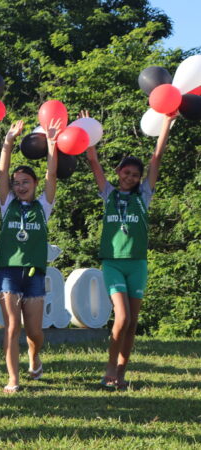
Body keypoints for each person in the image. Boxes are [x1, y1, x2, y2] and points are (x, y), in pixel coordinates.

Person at [85, 112, 173, 390]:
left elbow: (156, 159)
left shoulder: (144, 195)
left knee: (133, 323)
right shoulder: (108, 194)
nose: (131, 177)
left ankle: (121, 372)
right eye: (126, 172)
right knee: (121, 317)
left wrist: (167, 124)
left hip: (138, 264)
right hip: (113, 263)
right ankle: (109, 368)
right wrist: (88, 135)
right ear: (119, 174)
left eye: (135, 174)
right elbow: (94, 162)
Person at [0, 119, 60, 393]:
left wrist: (53, 144)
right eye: (16, 182)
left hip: (34, 274)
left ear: (34, 184)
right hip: (9, 272)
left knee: (34, 331)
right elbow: (1, 172)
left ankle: (34, 356)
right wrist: (8, 142)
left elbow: (52, 176)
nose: (20, 186)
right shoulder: (7, 203)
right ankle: (13, 378)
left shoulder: (43, 206)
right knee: (12, 327)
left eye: (25, 182)